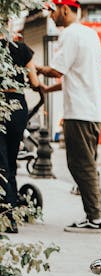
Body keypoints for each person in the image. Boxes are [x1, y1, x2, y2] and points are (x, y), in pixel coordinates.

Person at [37, 0, 101, 232]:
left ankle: (95, 218)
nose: (50, 16)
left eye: (53, 10)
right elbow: (75, 75)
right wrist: (48, 90)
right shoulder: (90, 34)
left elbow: (58, 70)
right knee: (88, 164)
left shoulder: (70, 34)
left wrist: (34, 68)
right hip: (94, 111)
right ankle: (97, 214)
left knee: (79, 164)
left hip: (79, 112)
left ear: (65, 9)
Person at [0, 32, 42, 234]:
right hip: (18, 107)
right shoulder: (22, 49)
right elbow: (34, 82)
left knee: (2, 162)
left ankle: (8, 216)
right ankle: (12, 206)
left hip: (1, 105)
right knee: (10, 158)